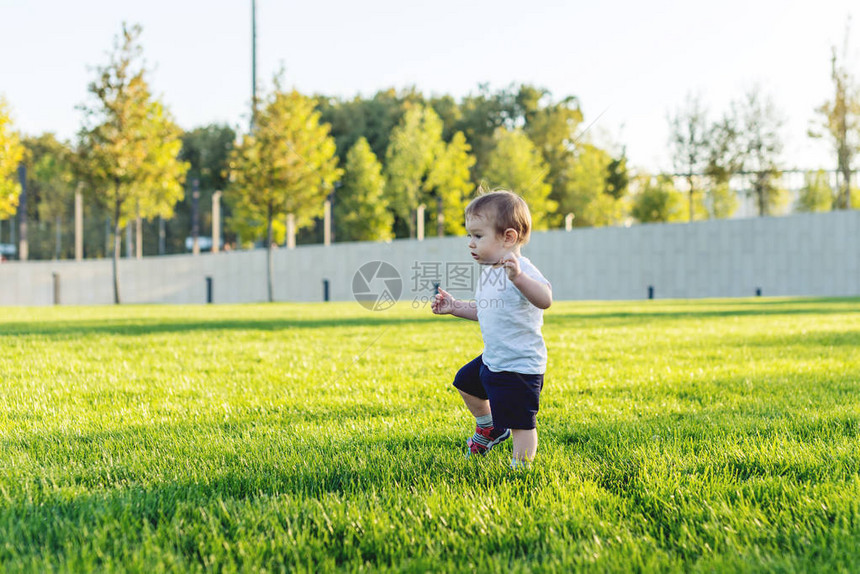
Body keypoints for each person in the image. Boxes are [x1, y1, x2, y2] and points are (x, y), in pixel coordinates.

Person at [431, 189, 552, 469]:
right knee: (465, 383)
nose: (470, 243)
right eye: (469, 236)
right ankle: (491, 429)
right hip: (494, 359)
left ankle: (521, 468)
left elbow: (545, 299)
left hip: (519, 366)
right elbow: (485, 311)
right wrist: (454, 306)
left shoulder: (522, 270)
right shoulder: (490, 271)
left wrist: (519, 278)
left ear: (508, 237)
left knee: (522, 425)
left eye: (478, 236)